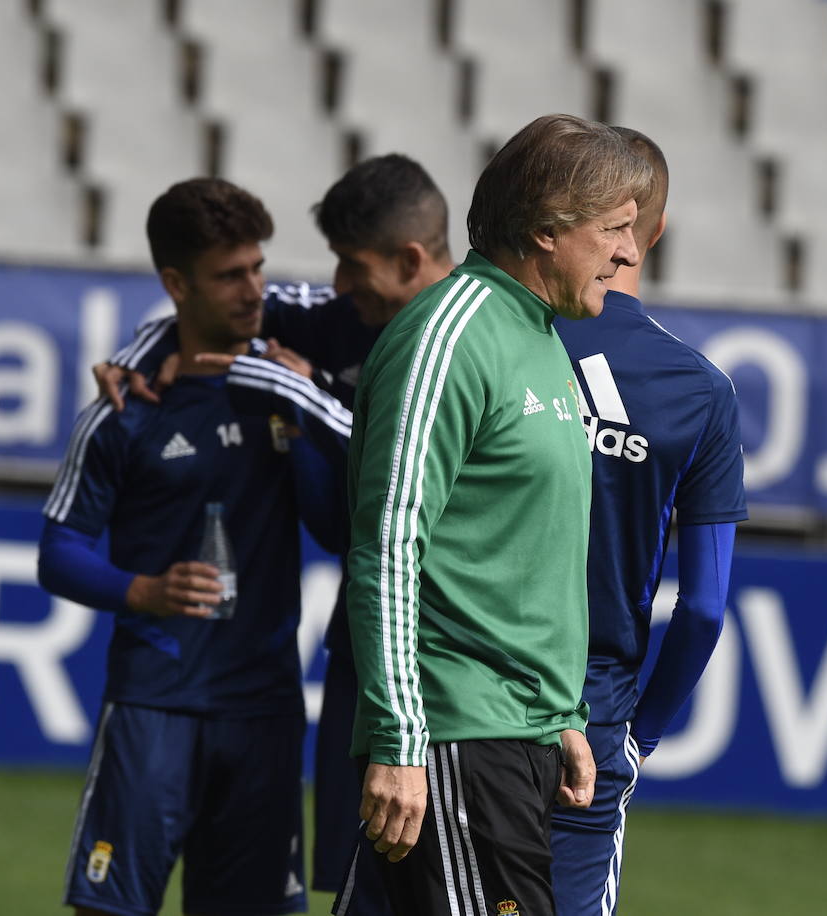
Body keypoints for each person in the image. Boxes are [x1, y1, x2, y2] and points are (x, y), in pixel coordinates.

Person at [95, 154, 455, 910]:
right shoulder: (342, 318)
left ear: (410, 258)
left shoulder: (475, 342)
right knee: (365, 890)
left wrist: (303, 395)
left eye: (352, 266)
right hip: (369, 660)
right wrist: (135, 358)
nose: (339, 283)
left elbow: (407, 460)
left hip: (459, 665)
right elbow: (200, 305)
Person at [337, 113, 650, 916]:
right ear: (547, 228)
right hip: (453, 737)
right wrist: (403, 740)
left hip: (515, 734)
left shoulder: (541, 333)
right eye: (614, 228)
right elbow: (388, 544)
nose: (631, 252)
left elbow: (524, 558)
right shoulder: (451, 334)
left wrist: (560, 719)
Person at [41, 178, 352, 916]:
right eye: (229, 275)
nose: (254, 291)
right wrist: (143, 591)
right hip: (155, 703)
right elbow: (59, 553)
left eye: (256, 268)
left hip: (265, 709)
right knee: (110, 907)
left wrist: (297, 413)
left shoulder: (283, 386)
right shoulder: (124, 410)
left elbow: (334, 531)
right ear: (175, 284)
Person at [548, 128, 747, 915]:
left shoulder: (502, 340)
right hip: (594, 722)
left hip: (465, 703)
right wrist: (642, 735)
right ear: (651, 232)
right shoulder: (701, 390)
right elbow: (702, 608)